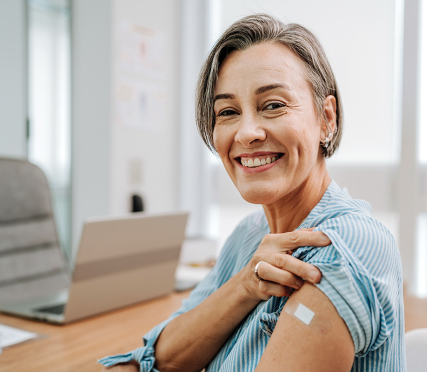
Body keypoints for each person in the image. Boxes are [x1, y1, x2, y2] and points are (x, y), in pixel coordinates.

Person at [99, 14, 405, 372]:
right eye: (227, 111)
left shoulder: (343, 248)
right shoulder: (249, 235)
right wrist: (245, 284)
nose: (246, 133)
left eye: (273, 105)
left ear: (327, 119)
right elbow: (164, 356)